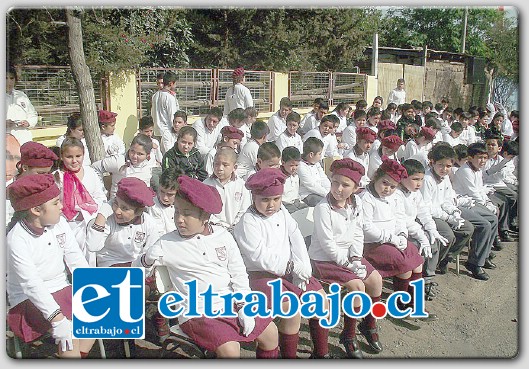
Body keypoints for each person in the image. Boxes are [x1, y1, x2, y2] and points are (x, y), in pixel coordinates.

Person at [134, 175, 280, 358]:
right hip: (197, 313)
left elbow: (238, 273)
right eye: (177, 211)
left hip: (229, 303)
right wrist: (146, 260)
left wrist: (243, 304)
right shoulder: (166, 242)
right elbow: (137, 273)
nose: (179, 219)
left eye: (187, 213)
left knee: (271, 333)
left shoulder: (223, 236)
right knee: (230, 350)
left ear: (205, 216)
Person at [233, 168, 331, 359]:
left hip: (289, 270)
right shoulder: (248, 221)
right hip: (260, 275)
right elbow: (260, 257)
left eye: (276, 199)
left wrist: (304, 268)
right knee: (290, 308)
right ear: (254, 197)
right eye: (265, 200)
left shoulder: (282, 212)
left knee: (322, 300)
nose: (271, 205)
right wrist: (292, 267)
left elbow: (296, 238)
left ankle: (321, 353)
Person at [6, 174, 95, 358]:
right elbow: (32, 284)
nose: (62, 207)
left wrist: (94, 287)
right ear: (36, 210)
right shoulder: (17, 239)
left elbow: (76, 259)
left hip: (61, 287)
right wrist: (57, 318)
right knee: (70, 331)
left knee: (105, 308)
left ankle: (78, 356)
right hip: (29, 300)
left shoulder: (59, 223)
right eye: (56, 203)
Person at [308, 158, 384, 358]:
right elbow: (327, 245)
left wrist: (357, 258)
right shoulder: (323, 208)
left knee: (376, 280)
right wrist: (349, 264)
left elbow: (357, 232)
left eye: (345, 185)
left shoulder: (355, 203)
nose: (338, 189)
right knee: (357, 285)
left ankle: (368, 324)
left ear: (356, 188)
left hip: (350, 256)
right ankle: (349, 334)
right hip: (324, 259)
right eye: (335, 182)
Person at [358, 157, 436, 320]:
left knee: (416, 258)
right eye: (385, 183)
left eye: (393, 186)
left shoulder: (394, 197)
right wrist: (390, 238)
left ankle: (415, 303)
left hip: (392, 239)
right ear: (376, 178)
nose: (388, 189)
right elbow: (366, 228)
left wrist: (401, 234)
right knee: (404, 263)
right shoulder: (366, 197)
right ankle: (401, 303)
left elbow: (399, 218)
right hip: (372, 244)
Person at [398, 159, 449, 300]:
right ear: (403, 177)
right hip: (400, 231)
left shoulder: (415, 192)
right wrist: (421, 235)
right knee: (418, 246)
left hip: (413, 227)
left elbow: (423, 212)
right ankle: (409, 287)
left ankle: (427, 279)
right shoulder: (397, 194)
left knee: (434, 241)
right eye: (415, 179)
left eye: (421, 179)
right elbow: (403, 220)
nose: (419, 183)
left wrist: (431, 229)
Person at [53, 138, 107, 265]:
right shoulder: (57, 176)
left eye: (78, 156)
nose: (74, 160)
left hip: (89, 223)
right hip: (66, 223)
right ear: (61, 156)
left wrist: (89, 210)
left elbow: (100, 196)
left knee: (89, 257)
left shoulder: (90, 172)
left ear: (84, 154)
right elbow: (53, 201)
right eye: (69, 156)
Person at [85, 177, 160, 268]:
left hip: (136, 266)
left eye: (125, 208)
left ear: (138, 212)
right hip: (110, 266)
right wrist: (102, 215)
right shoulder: (108, 220)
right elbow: (92, 246)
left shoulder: (149, 223)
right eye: (115, 203)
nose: (117, 211)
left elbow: (150, 254)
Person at [91, 133, 154, 200]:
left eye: (140, 154)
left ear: (147, 155)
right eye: (132, 151)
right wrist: (101, 192)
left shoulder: (149, 164)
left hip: (137, 205)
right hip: (117, 204)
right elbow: (94, 168)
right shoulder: (119, 161)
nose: (134, 156)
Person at [204, 146, 251, 232]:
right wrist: (218, 224)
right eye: (216, 164)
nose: (220, 168)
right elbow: (204, 210)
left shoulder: (242, 186)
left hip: (236, 229)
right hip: (213, 229)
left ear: (234, 167)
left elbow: (244, 210)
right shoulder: (206, 185)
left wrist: (235, 226)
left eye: (225, 165)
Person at [147, 166, 183, 239]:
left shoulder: (184, 204)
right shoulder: (154, 206)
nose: (164, 197)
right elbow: (159, 234)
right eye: (162, 191)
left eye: (170, 194)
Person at [6, 64, 38, 145]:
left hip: (24, 138)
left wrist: (28, 122)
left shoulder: (21, 95)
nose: (9, 82)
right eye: (5, 78)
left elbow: (33, 115)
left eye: (11, 78)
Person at [298, 137, 330, 207]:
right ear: (311, 155)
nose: (321, 156)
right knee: (323, 205)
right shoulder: (300, 166)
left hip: (321, 192)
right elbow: (311, 185)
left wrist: (330, 191)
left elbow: (324, 178)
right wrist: (327, 194)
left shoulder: (316, 163)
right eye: (319, 154)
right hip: (307, 195)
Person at [151, 71, 179, 140]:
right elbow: (173, 116)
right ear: (171, 84)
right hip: (167, 133)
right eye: (175, 84)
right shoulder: (169, 97)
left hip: (157, 131)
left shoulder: (155, 95)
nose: (176, 86)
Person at [280, 146, 308, 214]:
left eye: (296, 165)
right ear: (283, 163)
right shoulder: (279, 178)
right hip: (284, 204)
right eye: (291, 165)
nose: (294, 168)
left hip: (296, 201)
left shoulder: (295, 175)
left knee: (308, 212)